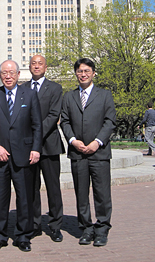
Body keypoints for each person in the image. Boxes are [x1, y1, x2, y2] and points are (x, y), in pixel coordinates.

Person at [0, 60, 42, 252]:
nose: (8, 76)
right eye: (4, 73)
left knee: (24, 198)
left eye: (11, 72)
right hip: (0, 156)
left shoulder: (30, 95)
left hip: (24, 155)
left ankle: (23, 236)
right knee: (0, 199)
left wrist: (35, 149)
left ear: (18, 74)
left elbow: (37, 125)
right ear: (0, 75)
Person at [61, 58, 116, 247]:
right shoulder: (69, 97)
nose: (83, 74)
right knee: (81, 193)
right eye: (79, 71)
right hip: (78, 153)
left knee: (102, 193)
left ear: (93, 73)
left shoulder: (104, 95)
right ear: (75, 73)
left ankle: (102, 229)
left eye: (86, 71)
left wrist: (97, 142)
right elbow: (65, 121)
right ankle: (86, 228)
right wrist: (73, 141)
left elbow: (109, 121)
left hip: (99, 153)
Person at [24, 54, 64, 242]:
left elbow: (54, 115)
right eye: (34, 63)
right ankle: (34, 224)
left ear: (46, 67)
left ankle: (55, 225)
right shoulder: (22, 88)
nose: (37, 66)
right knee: (31, 188)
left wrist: (36, 135)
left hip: (49, 145)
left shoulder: (55, 88)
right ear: (29, 67)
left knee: (53, 187)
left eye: (40, 63)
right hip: (28, 148)